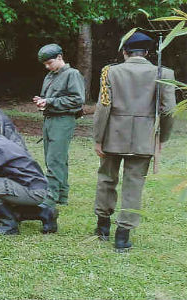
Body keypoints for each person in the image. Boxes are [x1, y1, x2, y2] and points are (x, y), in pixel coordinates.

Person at [92, 32, 176, 251]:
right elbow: (168, 111)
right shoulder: (164, 73)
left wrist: (98, 139)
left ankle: (102, 226)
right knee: (134, 185)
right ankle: (122, 236)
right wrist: (162, 138)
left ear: (124, 51)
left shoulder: (110, 72)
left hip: (113, 136)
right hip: (144, 139)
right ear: (147, 52)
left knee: (106, 179)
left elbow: (104, 107)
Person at [33, 44, 85, 207]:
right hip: (50, 119)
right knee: (55, 158)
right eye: (45, 64)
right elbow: (48, 98)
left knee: (55, 159)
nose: (47, 66)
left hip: (63, 120)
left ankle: (51, 196)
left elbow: (77, 100)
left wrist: (50, 102)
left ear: (60, 57)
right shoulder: (50, 76)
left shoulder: (72, 74)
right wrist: (42, 102)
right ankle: (62, 195)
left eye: (49, 62)